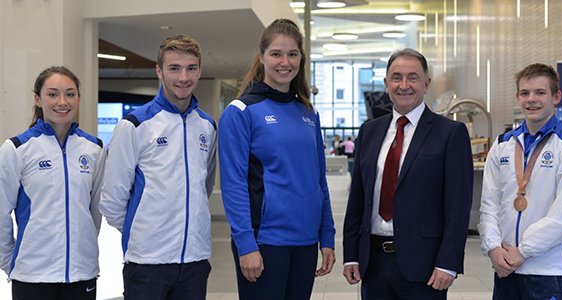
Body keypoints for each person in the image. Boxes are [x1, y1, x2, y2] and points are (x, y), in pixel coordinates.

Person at [218, 18, 336, 300]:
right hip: (265, 241)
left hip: (306, 242)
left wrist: (327, 237)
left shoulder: (309, 113)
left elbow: (319, 180)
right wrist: (245, 243)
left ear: (301, 58)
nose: (285, 62)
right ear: (262, 57)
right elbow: (233, 184)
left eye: (292, 54)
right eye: (276, 53)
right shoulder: (241, 112)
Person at [342, 48, 474, 299]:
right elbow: (357, 199)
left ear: (426, 83)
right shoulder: (369, 131)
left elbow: (458, 205)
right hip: (373, 264)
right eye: (396, 77)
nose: (404, 85)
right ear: (386, 83)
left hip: (425, 266)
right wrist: (351, 255)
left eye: (413, 77)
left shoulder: (449, 133)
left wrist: (448, 262)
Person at [100, 34, 216, 300]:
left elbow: (204, 187)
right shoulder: (135, 125)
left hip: (195, 260)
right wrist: (143, 230)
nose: (183, 77)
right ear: (159, 70)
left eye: (191, 68)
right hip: (147, 262)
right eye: (174, 68)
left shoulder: (207, 126)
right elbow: (112, 198)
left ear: (200, 71)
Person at [478, 63, 562, 300]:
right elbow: (489, 205)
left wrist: (523, 251)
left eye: (540, 92)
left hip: (549, 272)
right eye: (525, 93)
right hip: (506, 268)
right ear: (517, 97)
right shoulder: (502, 145)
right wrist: (493, 249)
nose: (532, 99)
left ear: (556, 97)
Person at [0, 66, 105, 299]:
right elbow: (1, 212)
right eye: (52, 94)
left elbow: (95, 212)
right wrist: (11, 261)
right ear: (38, 99)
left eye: (70, 93)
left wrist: (83, 248)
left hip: (82, 272)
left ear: (78, 98)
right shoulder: (17, 149)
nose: (62, 101)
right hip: (32, 275)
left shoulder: (94, 149)